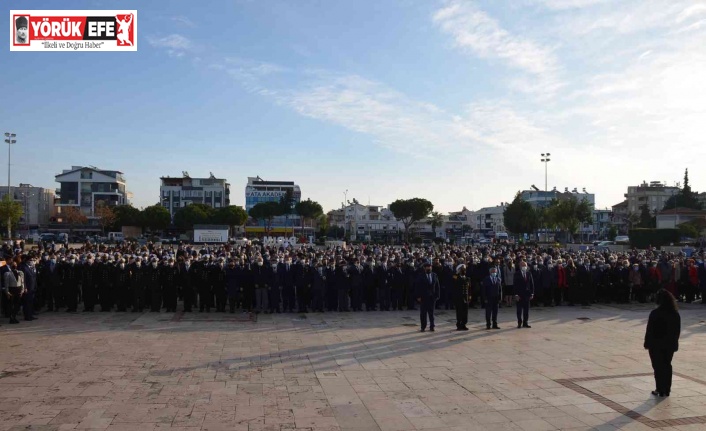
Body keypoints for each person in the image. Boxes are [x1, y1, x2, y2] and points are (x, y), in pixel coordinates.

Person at [644, 289, 681, 397]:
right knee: (667, 365)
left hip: (656, 345)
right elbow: (677, 331)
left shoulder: (655, 313)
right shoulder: (675, 314)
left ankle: (660, 388)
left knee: (658, 367)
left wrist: (647, 343)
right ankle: (667, 389)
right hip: (669, 344)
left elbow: (649, 330)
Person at [415, 262, 440, 332]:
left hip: (432, 297)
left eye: (430, 267)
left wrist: (437, 295)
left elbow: (437, 286)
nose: (429, 268)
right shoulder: (420, 276)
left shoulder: (434, 275)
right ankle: (423, 326)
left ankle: (432, 326)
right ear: (424, 268)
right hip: (423, 297)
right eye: (427, 267)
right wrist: (418, 296)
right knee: (423, 313)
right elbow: (417, 287)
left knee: (431, 313)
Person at [452, 264, 470, 331]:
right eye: (462, 269)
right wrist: (456, 273)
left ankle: (464, 324)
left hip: (466, 297)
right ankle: (459, 324)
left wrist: (469, 297)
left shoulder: (467, 278)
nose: (464, 271)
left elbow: (469, 289)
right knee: (459, 311)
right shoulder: (456, 277)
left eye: (464, 269)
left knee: (465, 312)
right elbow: (453, 281)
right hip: (459, 297)